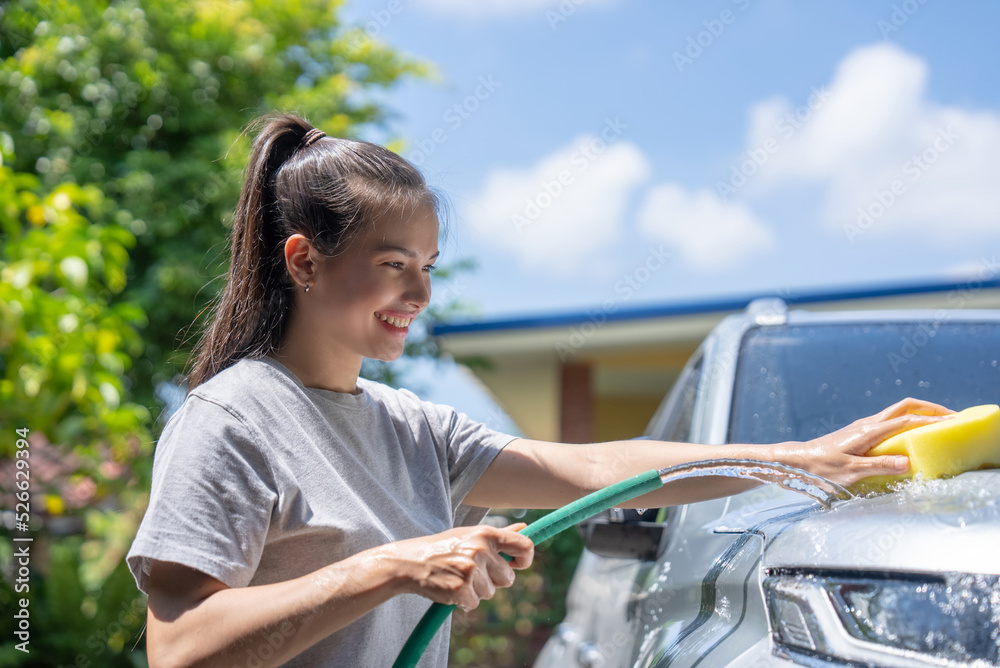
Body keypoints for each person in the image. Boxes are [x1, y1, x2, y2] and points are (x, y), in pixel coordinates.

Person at [125, 113, 954, 668]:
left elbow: (602, 471)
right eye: (391, 265)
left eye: (427, 268)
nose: (418, 295)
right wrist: (389, 568)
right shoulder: (229, 419)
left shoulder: (411, 427)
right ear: (304, 260)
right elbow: (182, 646)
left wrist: (797, 461)